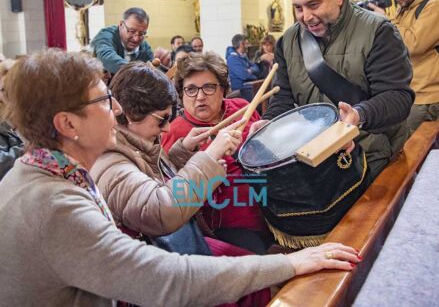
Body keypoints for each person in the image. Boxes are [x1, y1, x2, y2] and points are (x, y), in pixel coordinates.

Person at [0, 49, 360, 306]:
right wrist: (291, 262)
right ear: (67, 124)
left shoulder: (40, 175)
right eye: (105, 101)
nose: (118, 111)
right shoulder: (55, 208)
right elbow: (165, 274)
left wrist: (179, 154)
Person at [260, 0, 414, 180]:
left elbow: (398, 98)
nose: (306, 16)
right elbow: (283, 98)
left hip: (371, 153)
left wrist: (360, 114)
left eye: (314, 5)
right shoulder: (288, 41)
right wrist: (268, 124)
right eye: (298, 8)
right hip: (315, 156)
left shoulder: (378, 32)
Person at [91, 61, 239, 238]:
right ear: (131, 113)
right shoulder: (111, 162)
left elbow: (153, 178)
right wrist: (209, 157)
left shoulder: (139, 141)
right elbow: (160, 211)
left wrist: (183, 151)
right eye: (162, 119)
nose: (167, 128)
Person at [162, 52, 270, 254]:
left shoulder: (242, 108)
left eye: (209, 87)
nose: (200, 96)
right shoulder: (175, 132)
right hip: (223, 224)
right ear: (181, 94)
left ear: (223, 90)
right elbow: (176, 195)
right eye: (191, 89)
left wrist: (267, 135)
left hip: (270, 206)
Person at [369, 0, 439, 132]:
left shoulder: (434, 5)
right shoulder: (407, 6)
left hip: (425, 97)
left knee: (409, 150)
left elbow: (413, 44)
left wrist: (386, 19)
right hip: (408, 93)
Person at [91, 7, 153, 75]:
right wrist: (138, 72)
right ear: (121, 25)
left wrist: (164, 63)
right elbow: (107, 58)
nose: (136, 39)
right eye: (132, 31)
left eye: (142, 33)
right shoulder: (105, 36)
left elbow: (154, 67)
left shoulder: (144, 47)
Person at [0, 59, 24, 180]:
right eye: (3, 89)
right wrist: (25, 150)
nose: (9, 94)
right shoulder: (2, 121)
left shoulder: (35, 114)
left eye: (13, 88)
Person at [226, 34, 261, 102]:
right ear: (241, 44)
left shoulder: (243, 57)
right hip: (241, 91)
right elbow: (244, 75)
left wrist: (250, 70)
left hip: (249, 87)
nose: (248, 46)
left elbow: (256, 68)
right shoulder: (232, 59)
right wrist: (253, 74)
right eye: (247, 43)